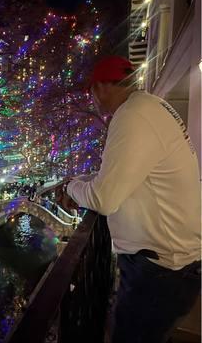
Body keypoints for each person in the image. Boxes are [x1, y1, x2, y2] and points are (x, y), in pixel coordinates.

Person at [57, 56, 201, 343]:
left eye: (92, 92)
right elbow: (122, 176)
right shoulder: (150, 107)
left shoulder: (131, 116)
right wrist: (84, 182)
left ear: (101, 88)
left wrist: (72, 188)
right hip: (172, 265)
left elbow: (104, 198)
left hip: (161, 270)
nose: (94, 100)